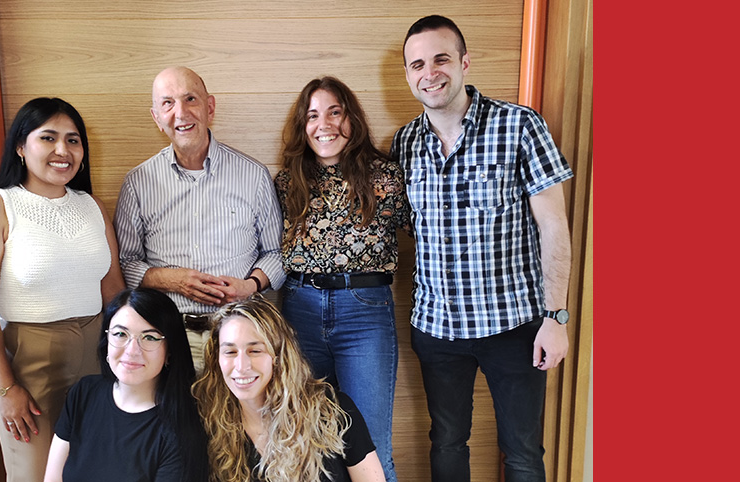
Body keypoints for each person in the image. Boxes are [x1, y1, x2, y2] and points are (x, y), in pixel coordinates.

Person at [390, 15, 575, 482]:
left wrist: (557, 319)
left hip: (514, 325)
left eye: (441, 59)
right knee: (447, 442)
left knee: (523, 451)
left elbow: (554, 226)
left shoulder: (520, 126)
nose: (429, 73)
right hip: (437, 327)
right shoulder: (405, 143)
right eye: (417, 65)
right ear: (408, 75)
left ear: (465, 62)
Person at [0, 97, 125, 482]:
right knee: (35, 473)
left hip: (98, 357)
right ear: (20, 145)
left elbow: (113, 291)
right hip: (31, 363)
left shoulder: (93, 206)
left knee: (98, 469)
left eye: (73, 140)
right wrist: (6, 388)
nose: (62, 150)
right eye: (48, 138)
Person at [273, 76, 410, 482]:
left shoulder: (385, 178)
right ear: (303, 127)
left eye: (335, 111)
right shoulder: (287, 182)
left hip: (364, 314)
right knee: (308, 440)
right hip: (299, 309)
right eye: (312, 115)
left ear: (352, 118)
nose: (324, 124)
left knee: (369, 443)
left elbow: (429, 234)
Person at [114, 66, 285, 373]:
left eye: (190, 99)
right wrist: (173, 280)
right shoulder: (138, 182)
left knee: (237, 422)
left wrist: (249, 286)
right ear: (156, 117)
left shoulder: (253, 175)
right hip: (167, 338)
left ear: (210, 107)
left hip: (240, 335)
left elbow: (277, 253)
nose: (181, 112)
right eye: (168, 103)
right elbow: (125, 263)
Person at [192, 297, 386, 482]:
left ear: (278, 355)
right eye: (230, 352)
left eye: (255, 351)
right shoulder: (207, 424)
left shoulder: (334, 409)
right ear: (217, 359)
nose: (241, 366)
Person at [43, 288, 209, 482]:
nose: (132, 351)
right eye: (121, 334)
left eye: (149, 337)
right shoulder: (84, 393)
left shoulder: (180, 431)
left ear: (170, 351)